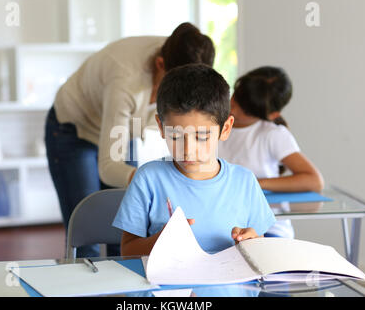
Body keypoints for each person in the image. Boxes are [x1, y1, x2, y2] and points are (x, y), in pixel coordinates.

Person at [45, 23, 215, 258]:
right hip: (75, 128)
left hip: (126, 125)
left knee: (126, 228)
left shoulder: (186, 57)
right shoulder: (126, 81)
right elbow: (109, 168)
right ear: (160, 65)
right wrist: (155, 178)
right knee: (88, 233)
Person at [112, 64, 276, 256]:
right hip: (168, 285)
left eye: (202, 137)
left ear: (225, 128)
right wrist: (161, 241)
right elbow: (128, 251)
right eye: (176, 136)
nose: (188, 151)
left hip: (229, 284)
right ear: (161, 126)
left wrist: (252, 241)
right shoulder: (148, 179)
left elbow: (260, 247)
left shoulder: (245, 182)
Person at [218, 66, 324, 238]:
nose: (233, 110)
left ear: (272, 114)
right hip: (224, 226)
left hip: (269, 230)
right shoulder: (212, 124)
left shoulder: (272, 134)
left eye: (245, 110)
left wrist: (256, 183)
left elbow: (314, 181)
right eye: (235, 99)